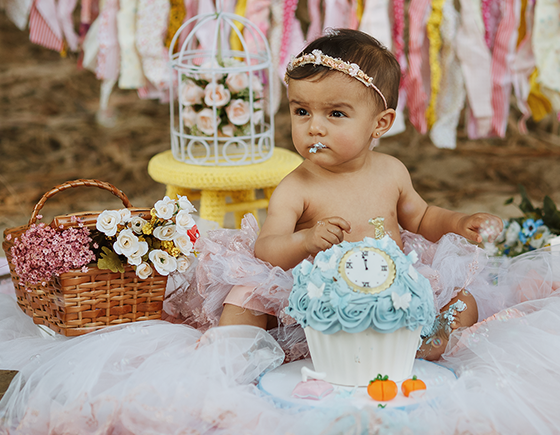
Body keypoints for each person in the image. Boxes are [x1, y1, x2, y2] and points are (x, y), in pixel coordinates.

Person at [209, 30, 503, 358]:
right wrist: (304, 241)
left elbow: (422, 217)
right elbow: (266, 250)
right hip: (321, 300)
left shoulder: (391, 172)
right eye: (301, 111)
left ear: (380, 124)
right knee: (247, 291)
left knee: (463, 300)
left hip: (393, 289)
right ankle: (235, 356)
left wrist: (459, 222)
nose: (314, 127)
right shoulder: (297, 187)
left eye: (335, 114)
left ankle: (424, 346)